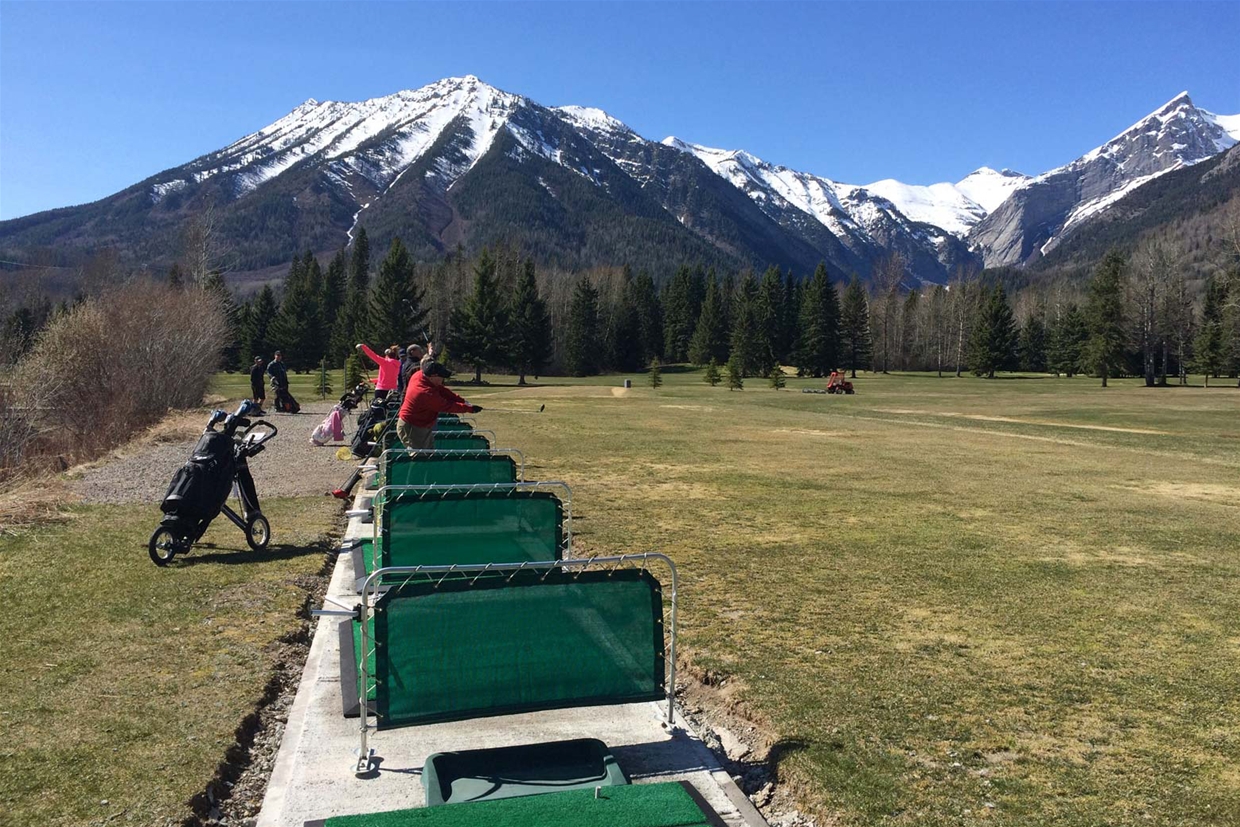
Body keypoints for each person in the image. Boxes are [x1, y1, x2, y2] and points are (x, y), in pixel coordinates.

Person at [396, 361, 480, 449]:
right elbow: (447, 406)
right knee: (420, 455)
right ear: (432, 377)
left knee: (428, 453)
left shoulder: (420, 375)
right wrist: (469, 409)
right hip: (412, 427)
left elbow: (441, 390)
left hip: (420, 424)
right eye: (441, 377)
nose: (443, 380)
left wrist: (461, 401)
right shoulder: (425, 393)